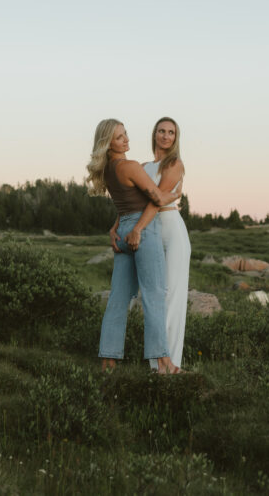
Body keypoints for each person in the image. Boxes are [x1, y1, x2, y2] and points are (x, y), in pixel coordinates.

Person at [86, 118, 182, 374]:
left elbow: (125, 203)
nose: (126, 139)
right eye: (120, 137)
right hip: (142, 231)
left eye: (126, 133)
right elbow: (158, 197)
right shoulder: (129, 166)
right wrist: (175, 195)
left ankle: (108, 361)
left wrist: (117, 227)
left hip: (123, 229)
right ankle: (163, 362)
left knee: (118, 297)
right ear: (108, 144)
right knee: (153, 295)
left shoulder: (108, 169)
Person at [111, 117, 190, 371]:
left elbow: (156, 202)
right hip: (147, 229)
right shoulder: (143, 166)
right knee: (154, 294)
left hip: (169, 229)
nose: (166, 136)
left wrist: (137, 229)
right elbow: (132, 202)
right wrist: (116, 226)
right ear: (154, 134)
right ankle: (158, 363)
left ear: (176, 138)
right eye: (161, 131)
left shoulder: (175, 164)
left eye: (171, 132)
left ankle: (169, 362)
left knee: (172, 295)